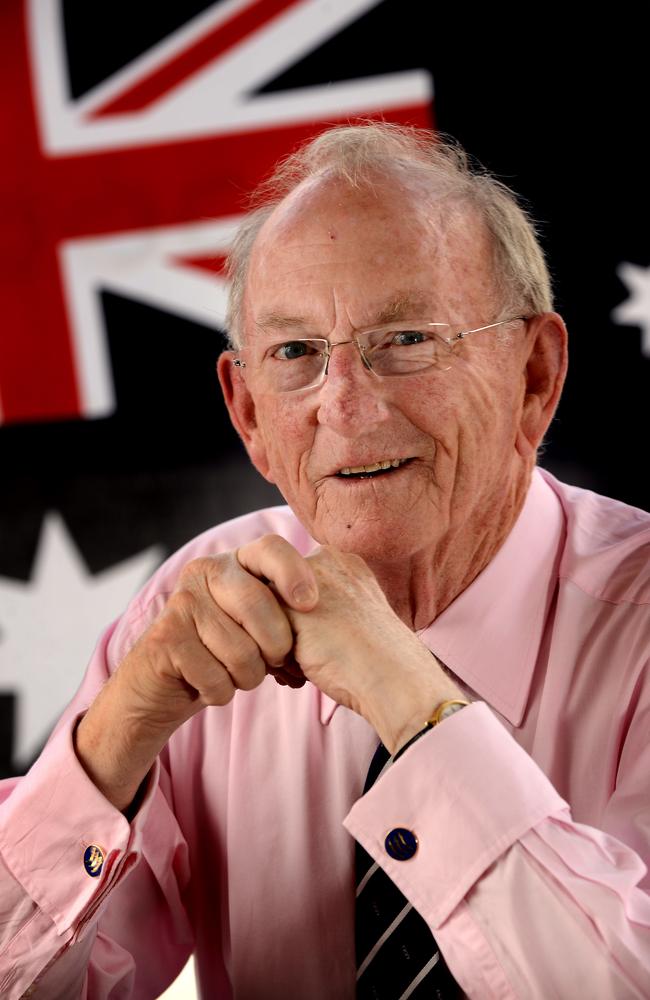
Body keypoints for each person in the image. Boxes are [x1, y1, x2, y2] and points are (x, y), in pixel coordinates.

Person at [1, 123, 649, 999]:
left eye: (408, 338)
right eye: (297, 354)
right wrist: (110, 746)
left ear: (534, 374)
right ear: (249, 414)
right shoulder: (196, 610)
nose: (346, 405)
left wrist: (416, 708)